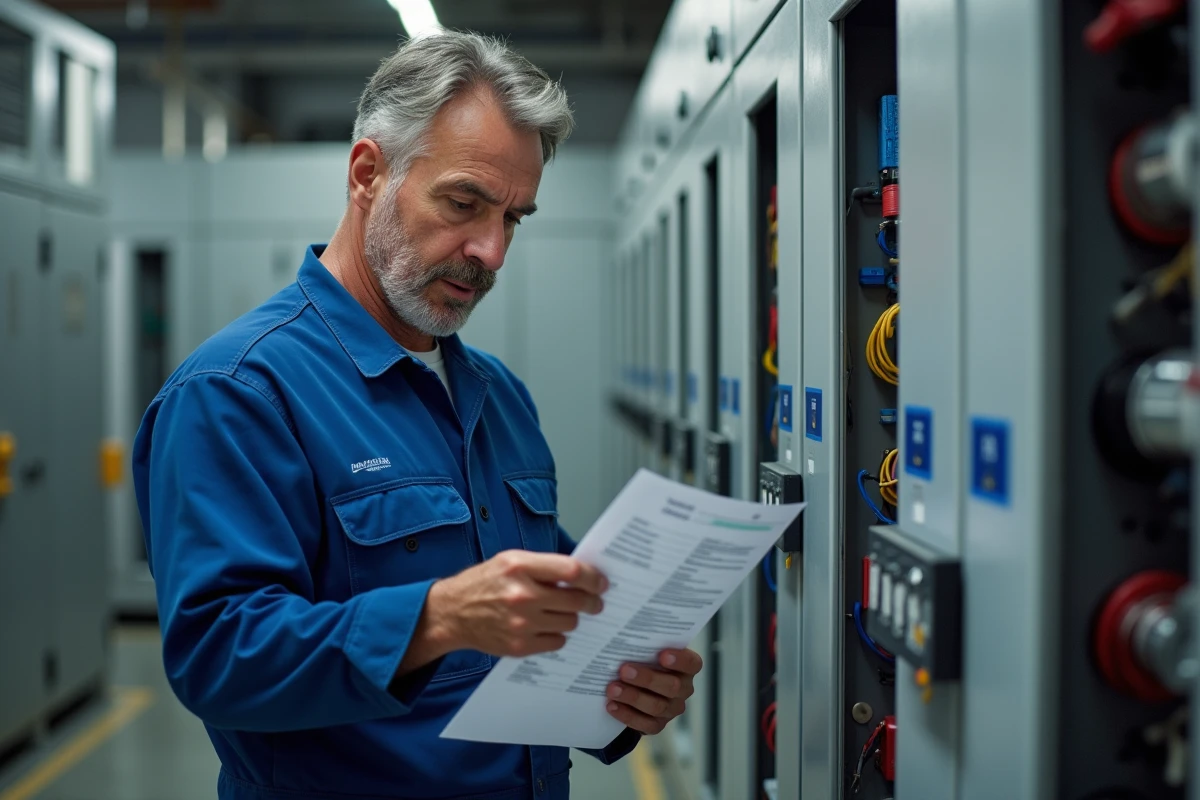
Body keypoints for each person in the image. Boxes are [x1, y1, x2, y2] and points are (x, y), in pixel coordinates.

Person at [131, 30, 703, 800]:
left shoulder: (497, 396)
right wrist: (436, 618)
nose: (491, 251)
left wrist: (623, 692)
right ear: (369, 172)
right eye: (464, 203)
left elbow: (546, 618)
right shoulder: (237, 393)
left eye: (514, 219)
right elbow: (220, 655)